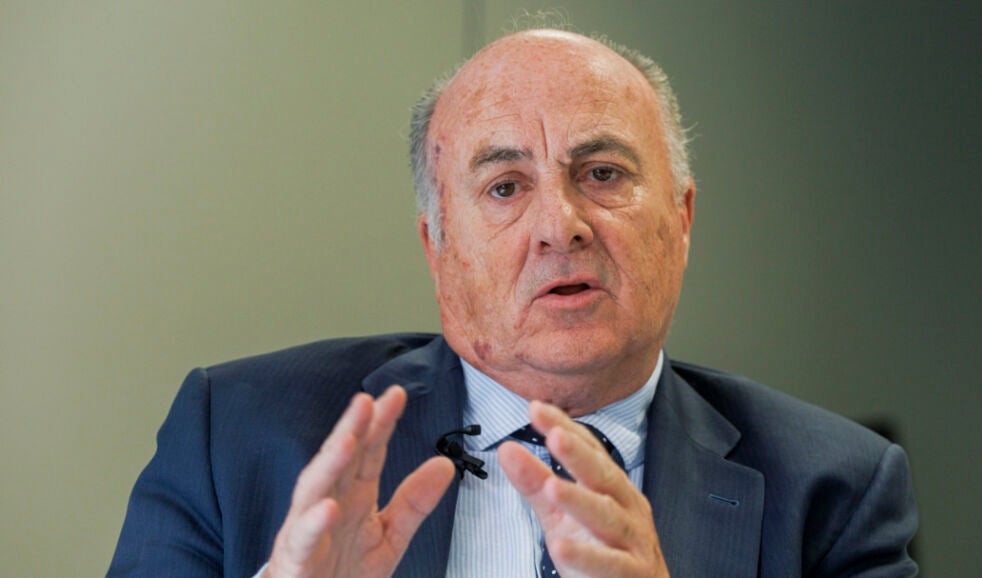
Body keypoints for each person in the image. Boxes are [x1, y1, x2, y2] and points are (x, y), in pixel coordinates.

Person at [107, 29, 918, 578]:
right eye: (504, 186)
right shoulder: (235, 438)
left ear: (681, 220)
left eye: (603, 173)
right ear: (437, 247)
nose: (560, 226)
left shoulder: (833, 491)